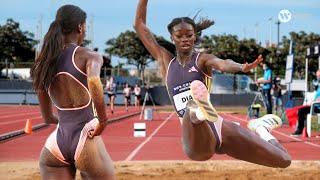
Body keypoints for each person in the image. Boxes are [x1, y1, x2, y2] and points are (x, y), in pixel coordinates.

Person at [134, 0, 291, 168]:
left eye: (189, 35)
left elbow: (223, 63)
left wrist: (241, 67)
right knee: (197, 140)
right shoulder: (165, 62)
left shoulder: (202, 59)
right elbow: (139, 25)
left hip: (219, 127)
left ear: (195, 36)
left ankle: (261, 129)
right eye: (179, 36)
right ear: (172, 38)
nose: (185, 39)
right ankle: (197, 110)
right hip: (194, 133)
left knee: (284, 160)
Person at [30, 5, 114, 179]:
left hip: (56, 145)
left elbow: (47, 118)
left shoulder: (43, 62)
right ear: (80, 27)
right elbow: (93, 81)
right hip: (86, 138)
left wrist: (67, 123)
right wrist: (103, 121)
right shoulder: (89, 56)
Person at [291, 69, 320, 136]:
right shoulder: (318, 86)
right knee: (300, 110)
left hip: (317, 106)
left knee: (302, 111)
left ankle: (300, 130)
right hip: (315, 105)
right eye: (317, 75)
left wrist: (315, 101)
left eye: (319, 75)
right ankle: (301, 129)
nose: (318, 77)